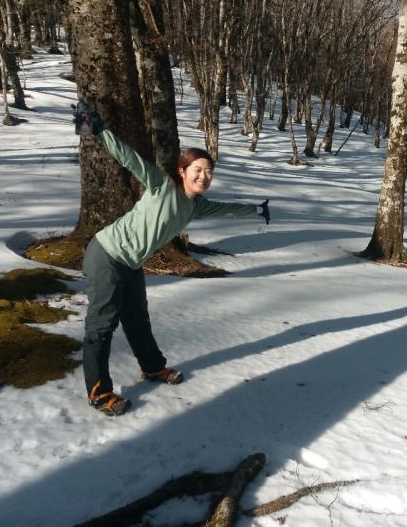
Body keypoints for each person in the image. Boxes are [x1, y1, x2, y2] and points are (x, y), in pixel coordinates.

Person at [73, 100, 271, 416]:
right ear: (182, 171)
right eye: (197, 170)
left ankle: (152, 368)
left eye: (208, 171)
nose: (204, 176)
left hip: (131, 263)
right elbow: (130, 158)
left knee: (137, 319)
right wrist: (98, 131)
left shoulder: (195, 206)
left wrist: (256, 210)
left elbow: (225, 209)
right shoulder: (161, 186)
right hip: (106, 255)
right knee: (102, 325)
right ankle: (99, 392)